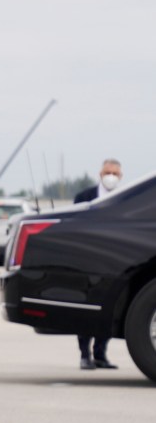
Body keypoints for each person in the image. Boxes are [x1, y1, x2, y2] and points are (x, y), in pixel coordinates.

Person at [73, 158, 123, 370]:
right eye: (107, 172)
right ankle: (85, 354)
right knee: (87, 308)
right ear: (100, 174)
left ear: (120, 177)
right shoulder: (84, 197)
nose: (111, 176)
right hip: (88, 260)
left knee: (110, 309)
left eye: (115, 173)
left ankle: (101, 354)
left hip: (114, 263)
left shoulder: (124, 199)